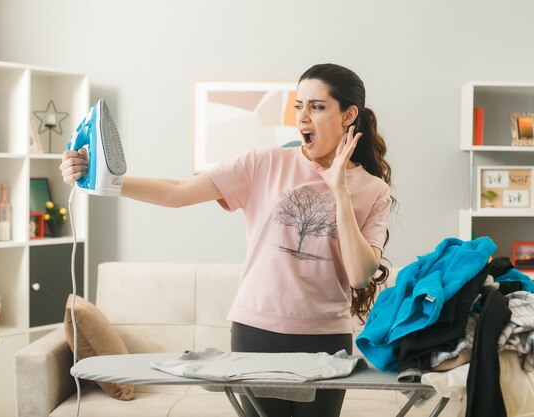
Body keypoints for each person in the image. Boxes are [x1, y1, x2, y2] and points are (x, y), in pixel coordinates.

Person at [60, 63, 395, 417]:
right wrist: (104, 180)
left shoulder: (373, 191)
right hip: (258, 333)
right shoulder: (262, 163)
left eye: (317, 106)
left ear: (349, 115)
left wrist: (339, 190)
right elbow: (178, 192)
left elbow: (360, 275)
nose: (303, 118)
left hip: (326, 338)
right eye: (299, 106)